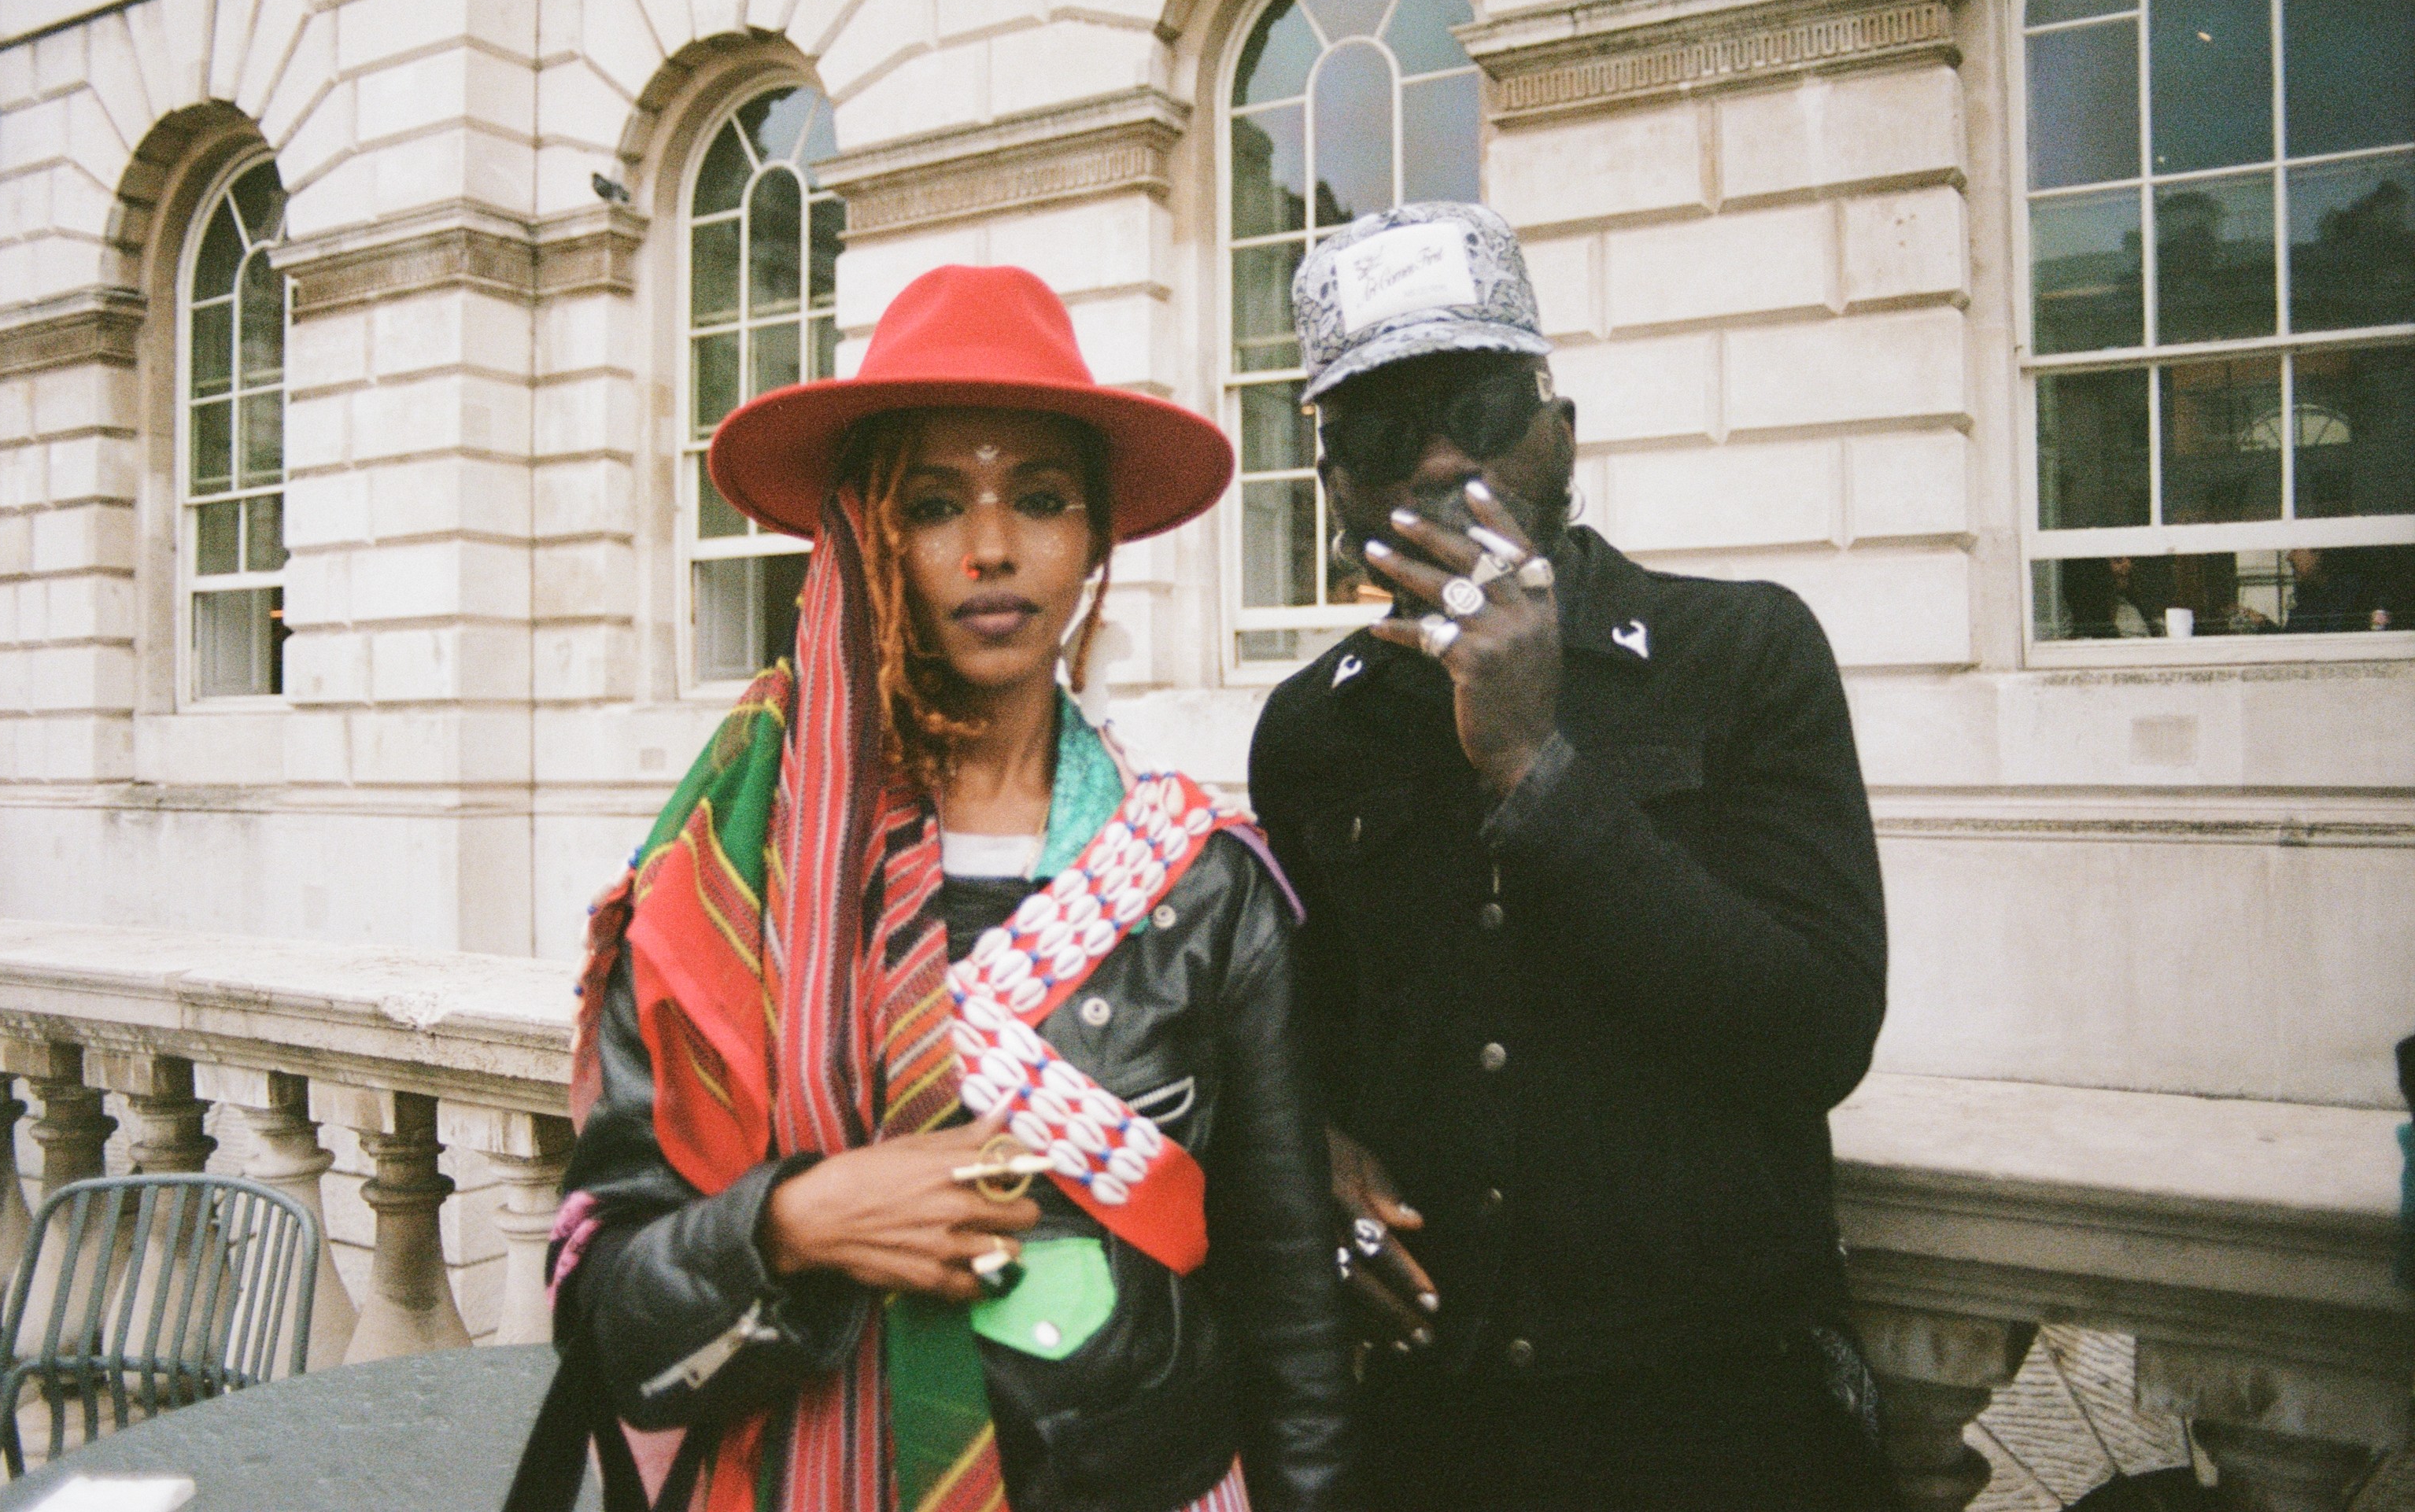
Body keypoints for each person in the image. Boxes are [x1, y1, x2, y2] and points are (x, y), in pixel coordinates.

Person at [510, 266, 1350, 1512]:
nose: (994, 548)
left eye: (1043, 499)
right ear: (865, 531)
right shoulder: (726, 883)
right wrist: (788, 1227)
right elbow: (616, 1320)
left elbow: (1287, 1306)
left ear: (1095, 539)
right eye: (937, 504)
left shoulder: (1201, 884)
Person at [1247, 204, 1894, 1511]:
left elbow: (1815, 1035)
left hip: (1713, 1414)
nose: (1437, 457)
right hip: (1436, 1422)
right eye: (1377, 430)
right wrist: (1310, 1153)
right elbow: (1306, 1042)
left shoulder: (1743, 654)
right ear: (1333, 487)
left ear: (1560, 431)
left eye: (1480, 404)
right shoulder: (1312, 732)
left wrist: (1533, 764)